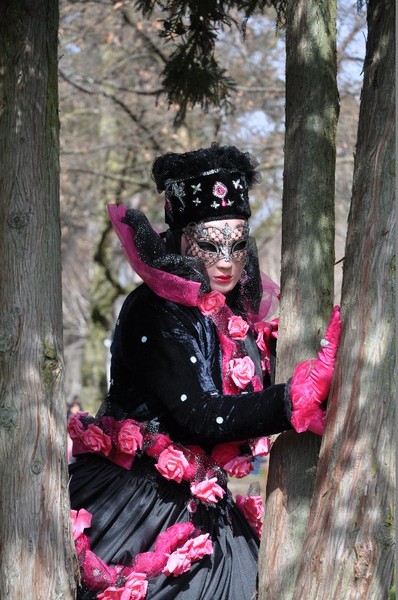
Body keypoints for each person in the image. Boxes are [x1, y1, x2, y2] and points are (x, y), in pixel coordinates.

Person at [68, 144, 341, 600]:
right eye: (211, 244)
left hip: (203, 504)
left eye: (238, 243)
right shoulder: (157, 308)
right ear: (179, 239)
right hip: (137, 507)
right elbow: (199, 414)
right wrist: (293, 397)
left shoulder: (230, 317)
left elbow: (243, 403)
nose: (227, 260)